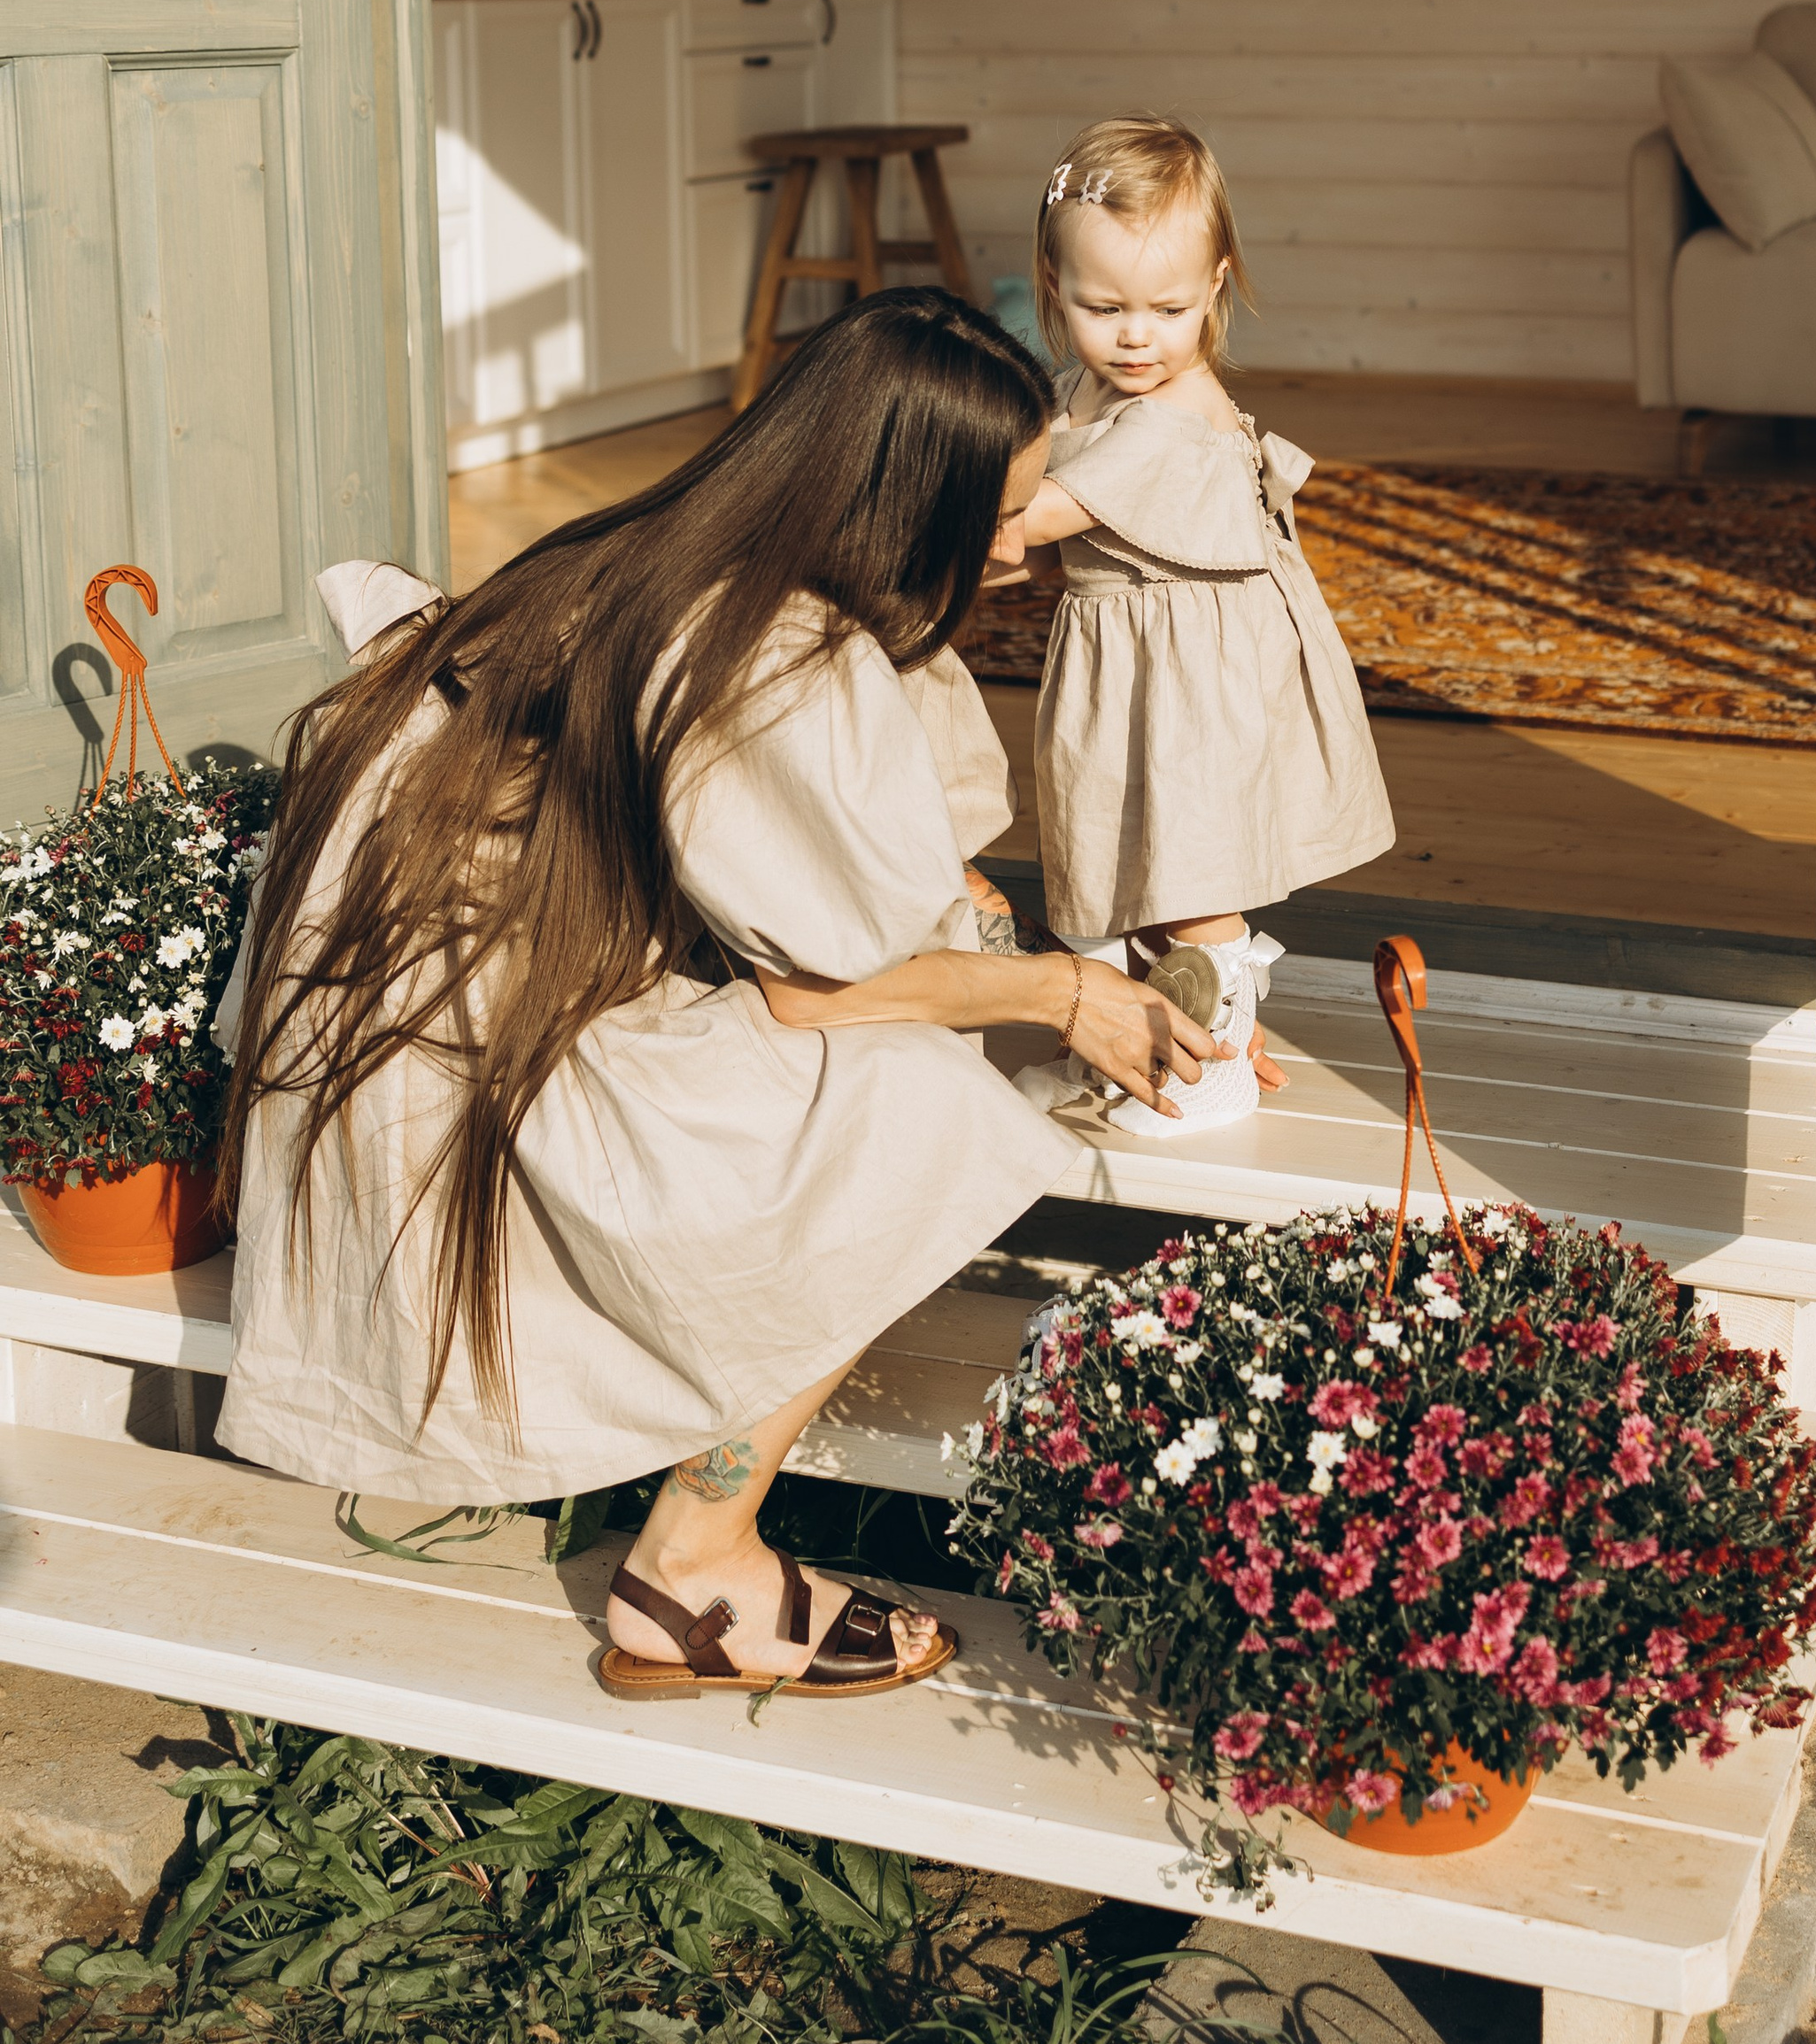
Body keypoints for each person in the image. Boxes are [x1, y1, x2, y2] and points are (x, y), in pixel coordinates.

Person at [215, 289, 1224, 1705]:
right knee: (922, 1105)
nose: (1020, 545)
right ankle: (695, 1558)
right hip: (470, 1087)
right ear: (900, 509)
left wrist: (973, 936)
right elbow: (822, 995)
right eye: (997, 514)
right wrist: (1062, 993)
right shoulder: (777, 654)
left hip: (403, 1032)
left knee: (938, 1014)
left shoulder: (673, 552)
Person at [1017, 119, 1394, 1138]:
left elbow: (1039, 515)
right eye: (1103, 308)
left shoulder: (1179, 411)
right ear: (1054, 286)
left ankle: (1210, 1067)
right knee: (1118, 857)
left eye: (1170, 309)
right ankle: (1123, 1048)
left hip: (1195, 679)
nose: (1136, 336)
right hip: (1125, 662)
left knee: (1187, 871)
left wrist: (943, 510)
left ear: (1216, 287)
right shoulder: (1085, 391)